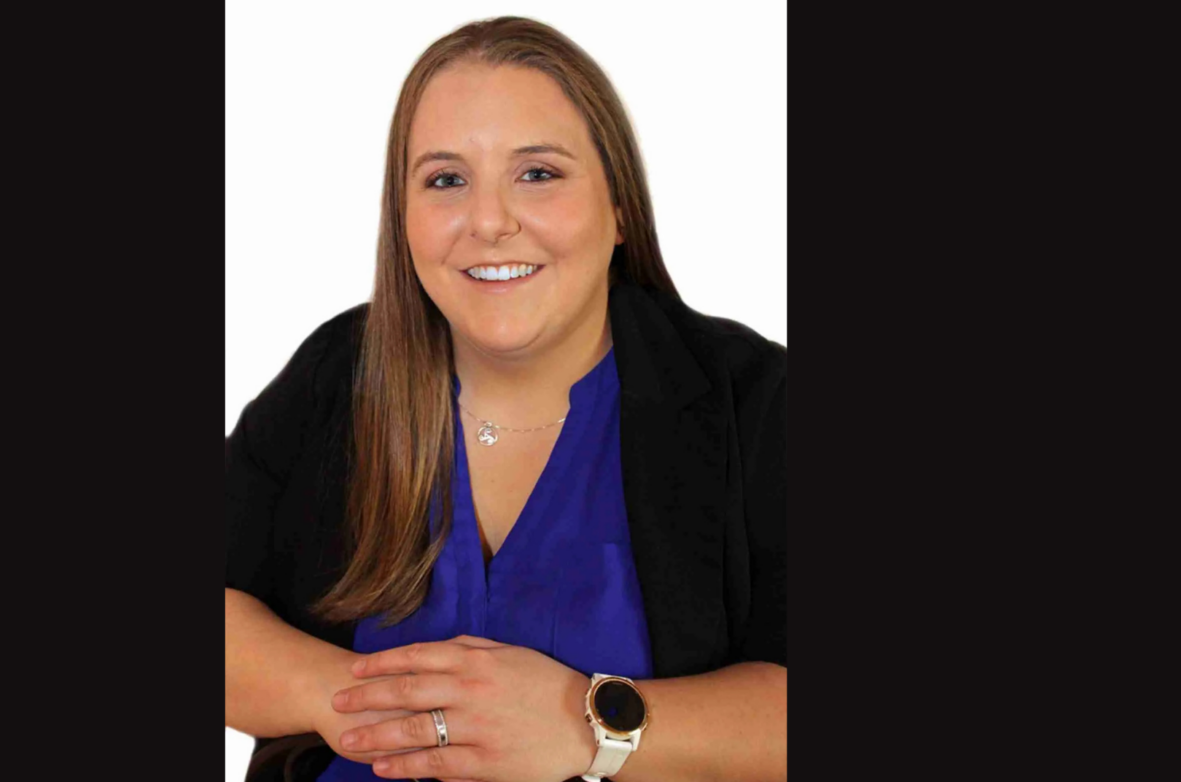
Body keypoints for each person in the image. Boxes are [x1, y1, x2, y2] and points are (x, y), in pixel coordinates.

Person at [226, 16, 786, 782]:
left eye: (539, 173)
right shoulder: (340, 375)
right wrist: (367, 703)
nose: (489, 222)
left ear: (620, 207)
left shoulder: (754, 403)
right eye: (446, 181)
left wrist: (588, 725)